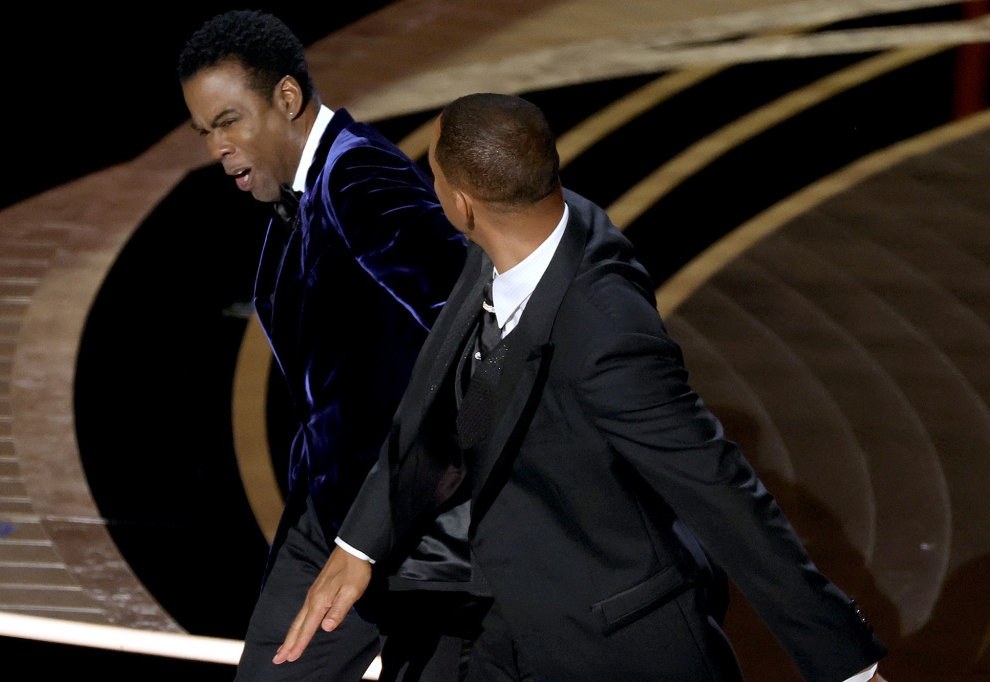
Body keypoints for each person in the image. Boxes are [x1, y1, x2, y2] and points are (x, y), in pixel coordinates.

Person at [273, 93, 891, 682]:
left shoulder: (606, 336)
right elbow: (448, 409)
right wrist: (360, 543)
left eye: (431, 171)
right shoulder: (517, 236)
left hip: (614, 645)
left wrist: (844, 661)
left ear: (461, 203)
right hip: (500, 626)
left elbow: (720, 489)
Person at [177, 10, 487, 681]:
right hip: (329, 516)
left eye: (228, 121)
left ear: (286, 98)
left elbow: (470, 307)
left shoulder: (357, 178)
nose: (217, 148)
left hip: (408, 522)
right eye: (206, 132)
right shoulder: (303, 193)